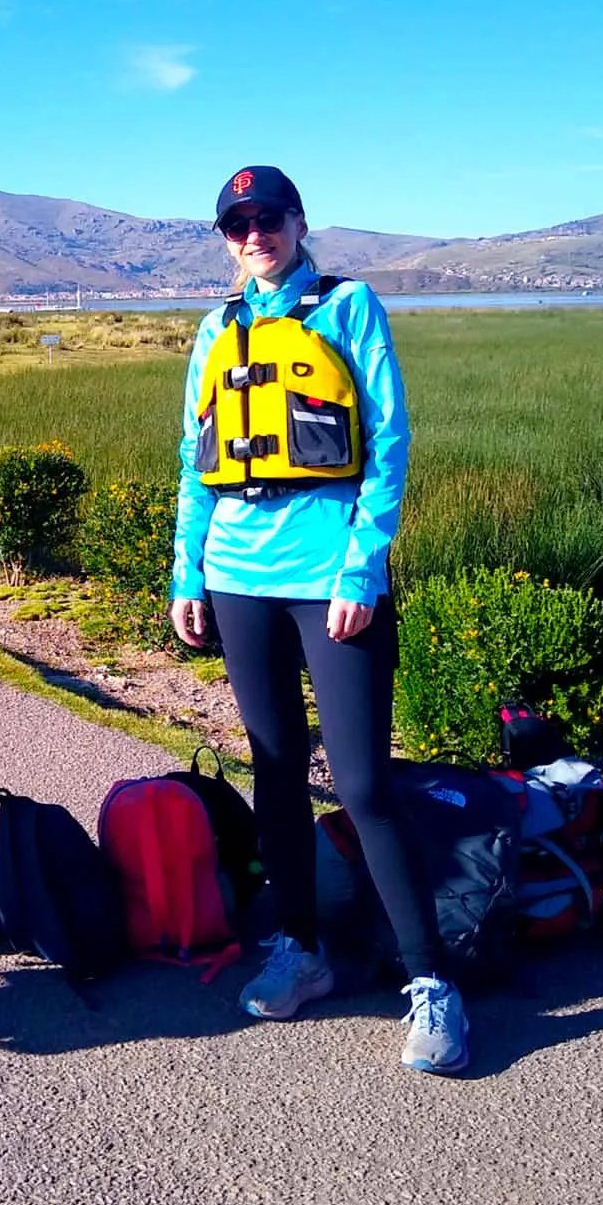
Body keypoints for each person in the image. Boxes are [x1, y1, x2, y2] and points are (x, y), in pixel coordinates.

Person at [169, 164, 470, 1076]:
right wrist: (186, 571)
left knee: (365, 784)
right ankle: (300, 951)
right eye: (236, 224)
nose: (252, 234)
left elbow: (387, 441)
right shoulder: (216, 329)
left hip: (329, 577)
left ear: (298, 224)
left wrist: (361, 565)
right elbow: (192, 459)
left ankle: (432, 982)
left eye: (266, 218)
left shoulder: (348, 308)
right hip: (236, 576)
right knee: (273, 770)